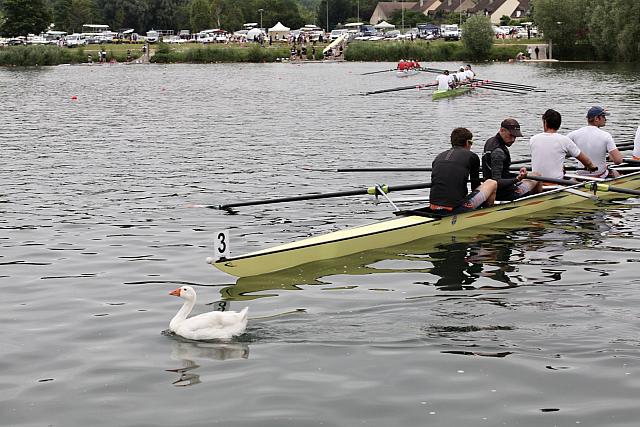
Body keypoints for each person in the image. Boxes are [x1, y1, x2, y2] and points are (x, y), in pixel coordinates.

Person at [429, 127, 498, 214]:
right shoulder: (472, 156)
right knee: (492, 183)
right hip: (456, 209)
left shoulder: (438, 157)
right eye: (471, 143)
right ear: (467, 142)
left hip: (433, 206)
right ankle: (486, 214)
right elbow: (475, 186)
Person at [482, 118, 543, 201]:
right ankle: (536, 203)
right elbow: (496, 182)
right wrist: (517, 179)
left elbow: (501, 174)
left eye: (515, 136)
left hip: (493, 190)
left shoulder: (490, 141)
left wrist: (518, 175)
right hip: (506, 194)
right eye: (511, 135)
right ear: (502, 130)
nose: (513, 140)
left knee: (532, 175)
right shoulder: (498, 152)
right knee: (537, 175)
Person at [529, 109, 598, 180]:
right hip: (556, 182)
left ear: (545, 123)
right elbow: (586, 161)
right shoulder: (564, 140)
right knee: (575, 179)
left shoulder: (533, 139)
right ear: (559, 125)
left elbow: (546, 156)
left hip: (536, 182)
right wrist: (591, 167)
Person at [567, 106, 623, 177]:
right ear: (597, 118)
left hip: (580, 176)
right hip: (599, 176)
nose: (605, 119)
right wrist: (611, 156)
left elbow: (560, 148)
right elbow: (618, 161)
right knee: (615, 173)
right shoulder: (606, 136)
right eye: (603, 117)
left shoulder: (574, 134)